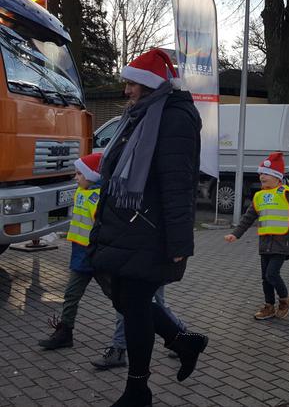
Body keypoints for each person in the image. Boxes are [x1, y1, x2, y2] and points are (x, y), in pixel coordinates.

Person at [88, 48, 207, 406]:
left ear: (149, 85)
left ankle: (138, 389)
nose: (126, 90)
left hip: (150, 231)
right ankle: (183, 341)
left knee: (135, 302)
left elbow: (177, 184)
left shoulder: (174, 118)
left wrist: (179, 244)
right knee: (125, 299)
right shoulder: (141, 114)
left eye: (130, 83)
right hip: (128, 227)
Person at [224, 152, 289, 319]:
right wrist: (235, 235)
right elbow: (247, 218)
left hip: (282, 243)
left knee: (272, 274)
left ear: (277, 177)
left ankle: (285, 299)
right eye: (261, 173)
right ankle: (269, 306)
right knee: (265, 278)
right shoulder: (259, 196)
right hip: (264, 243)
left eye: (266, 173)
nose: (261, 176)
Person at [37, 153, 105, 351]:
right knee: (71, 295)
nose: (75, 178)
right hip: (80, 256)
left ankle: (142, 329)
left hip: (96, 257)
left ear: (91, 176)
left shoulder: (100, 197)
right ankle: (65, 333)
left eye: (78, 174)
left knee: (120, 299)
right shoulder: (80, 192)